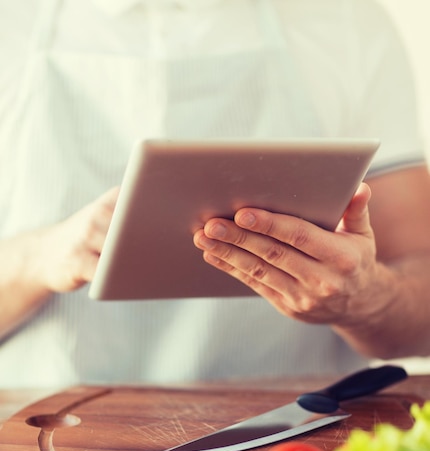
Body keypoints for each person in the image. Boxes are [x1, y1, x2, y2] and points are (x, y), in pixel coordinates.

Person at [1, 0, 430, 388]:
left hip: (295, 444)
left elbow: (422, 307)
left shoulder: (346, 24)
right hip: (42, 442)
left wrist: (365, 299)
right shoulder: (13, 23)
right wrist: (36, 258)